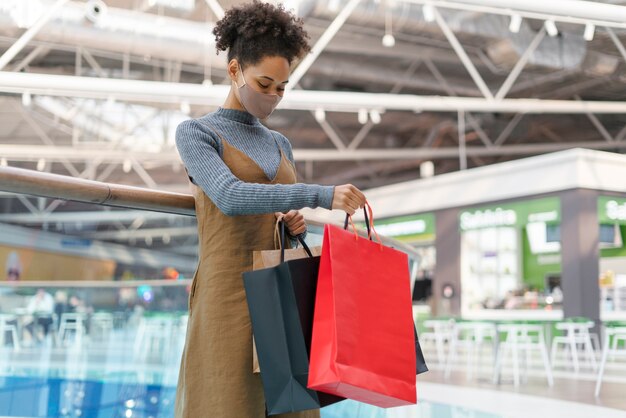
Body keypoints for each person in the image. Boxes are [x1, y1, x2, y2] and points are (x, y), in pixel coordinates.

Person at [173, 2, 366, 417]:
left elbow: (274, 209)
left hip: (283, 294)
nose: (274, 97)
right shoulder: (196, 133)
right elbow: (228, 195)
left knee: (290, 407)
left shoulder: (281, 144)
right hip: (229, 296)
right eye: (265, 84)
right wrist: (317, 196)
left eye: (282, 87)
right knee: (226, 402)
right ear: (234, 70)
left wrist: (294, 226)